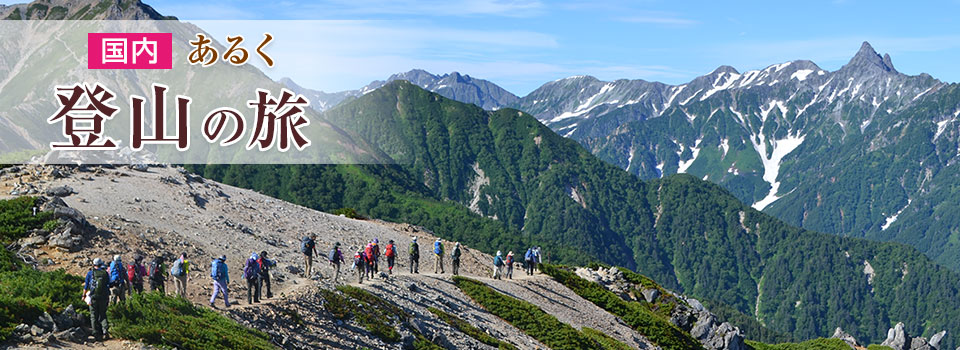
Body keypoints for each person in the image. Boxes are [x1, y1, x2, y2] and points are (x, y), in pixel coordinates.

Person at [84, 258, 110, 341]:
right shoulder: (105, 273)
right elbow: (108, 284)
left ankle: (95, 333)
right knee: (103, 314)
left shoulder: (90, 273)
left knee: (93, 315)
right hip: (103, 297)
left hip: (93, 297)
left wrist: (83, 295)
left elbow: (86, 286)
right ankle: (105, 331)